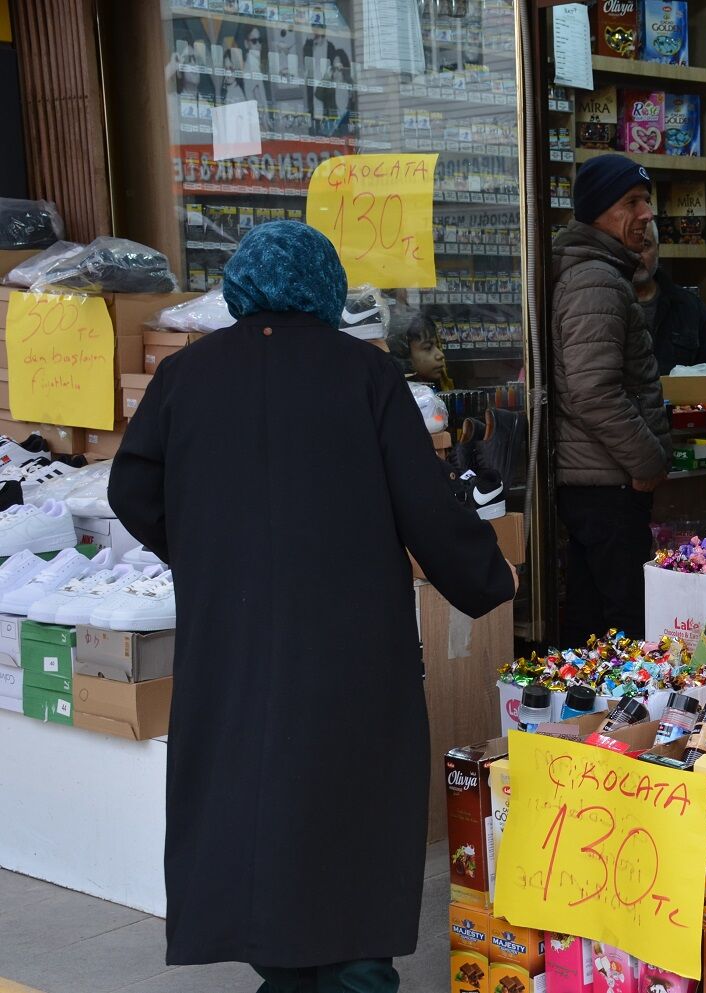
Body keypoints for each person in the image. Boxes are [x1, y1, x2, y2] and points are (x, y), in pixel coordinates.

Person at [108, 221, 517, 993]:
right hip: (350, 648)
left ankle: (286, 973)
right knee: (352, 822)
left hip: (230, 645)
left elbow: (131, 489)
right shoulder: (365, 374)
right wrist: (490, 578)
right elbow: (426, 508)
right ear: (325, 287)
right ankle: (355, 973)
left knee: (254, 810)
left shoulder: (186, 378)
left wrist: (204, 551)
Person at [550, 153, 670, 645]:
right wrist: (647, 461)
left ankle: (594, 720)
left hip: (597, 481)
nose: (646, 214)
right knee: (624, 625)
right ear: (600, 211)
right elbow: (592, 390)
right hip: (607, 485)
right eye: (632, 202)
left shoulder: (599, 271)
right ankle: (625, 721)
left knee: (592, 622)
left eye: (646, 201)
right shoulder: (595, 280)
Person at [634, 221, 706, 374]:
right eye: (629, 247)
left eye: (645, 245)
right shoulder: (604, 306)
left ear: (658, 250)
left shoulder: (689, 307)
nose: (637, 255)